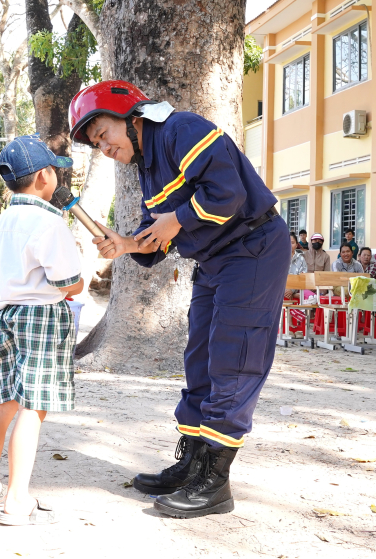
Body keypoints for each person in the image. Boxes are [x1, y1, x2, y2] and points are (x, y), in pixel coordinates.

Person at [71, 80, 290, 519]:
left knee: (233, 356)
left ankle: (215, 481)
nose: (104, 148)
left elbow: (227, 192)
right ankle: (192, 463)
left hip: (253, 248)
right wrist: (126, 244)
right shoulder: (148, 165)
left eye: (104, 135)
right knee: (200, 357)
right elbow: (156, 237)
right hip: (213, 260)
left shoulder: (180, 129)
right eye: (96, 145)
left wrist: (177, 219)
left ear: (130, 117)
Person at [0, 135, 83, 525]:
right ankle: (17, 500)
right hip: (43, 318)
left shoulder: (1, 222)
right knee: (33, 407)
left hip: (8, 316)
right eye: (54, 171)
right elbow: (71, 284)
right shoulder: (49, 222)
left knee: (3, 402)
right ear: (43, 177)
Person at [284, 232, 307, 300]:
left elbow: (302, 277)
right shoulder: (278, 258)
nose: (289, 245)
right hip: (280, 291)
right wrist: (285, 291)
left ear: (296, 245)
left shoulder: (301, 259)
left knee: (309, 296)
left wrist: (292, 290)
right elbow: (276, 277)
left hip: (296, 290)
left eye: (292, 243)